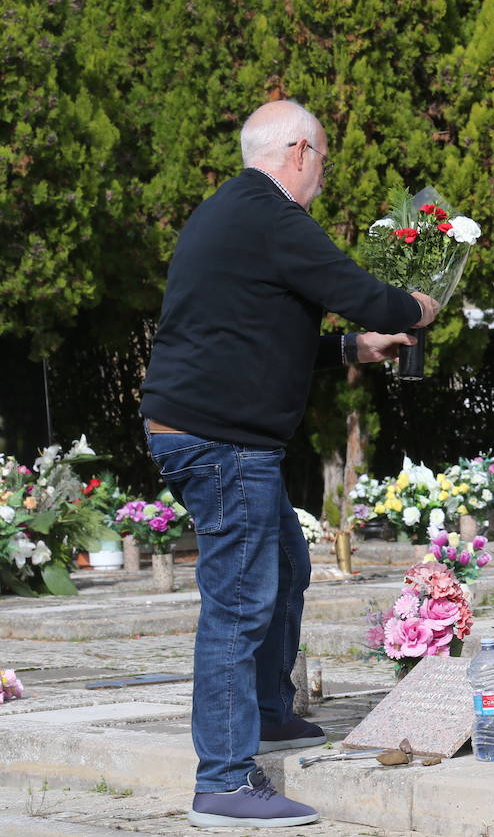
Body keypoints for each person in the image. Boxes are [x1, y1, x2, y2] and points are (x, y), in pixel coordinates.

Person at [139, 100, 439, 828]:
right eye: (323, 163)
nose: (321, 179)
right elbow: (358, 292)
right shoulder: (273, 216)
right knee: (238, 604)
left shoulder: (230, 212)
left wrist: (350, 349)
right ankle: (225, 781)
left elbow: (251, 327)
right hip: (223, 443)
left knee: (285, 566)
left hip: (207, 433)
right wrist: (418, 307)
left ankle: (268, 711)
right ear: (300, 151)